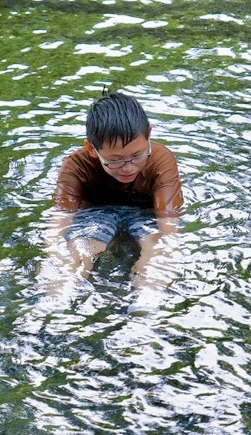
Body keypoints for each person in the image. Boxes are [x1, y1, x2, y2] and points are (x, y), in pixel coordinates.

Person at [48, 91, 183, 290]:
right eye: (115, 160)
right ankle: (55, 303)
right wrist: (53, 250)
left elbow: (168, 223)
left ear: (149, 136)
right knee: (78, 250)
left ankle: (146, 305)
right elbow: (59, 221)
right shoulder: (76, 166)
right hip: (96, 214)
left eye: (138, 155)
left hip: (145, 214)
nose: (128, 168)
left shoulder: (161, 160)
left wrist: (170, 252)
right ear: (92, 149)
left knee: (157, 248)